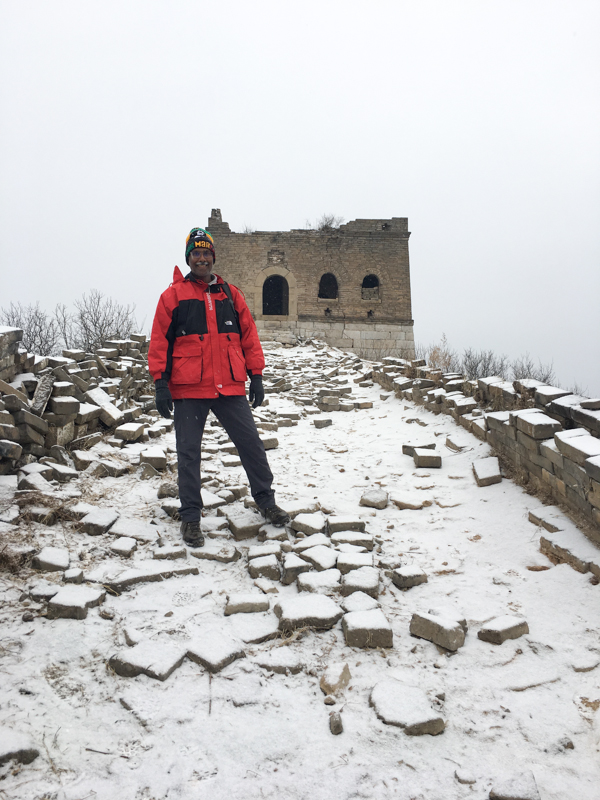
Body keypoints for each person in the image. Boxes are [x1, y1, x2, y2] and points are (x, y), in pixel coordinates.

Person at [148, 227, 290, 547]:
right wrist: (160, 383)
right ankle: (190, 517)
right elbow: (159, 341)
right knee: (188, 454)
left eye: (206, 253)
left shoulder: (231, 294)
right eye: (196, 253)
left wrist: (256, 375)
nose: (202, 258)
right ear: (189, 258)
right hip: (189, 388)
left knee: (251, 445)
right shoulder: (173, 296)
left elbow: (248, 336)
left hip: (229, 386)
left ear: (213, 257)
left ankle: (266, 501)